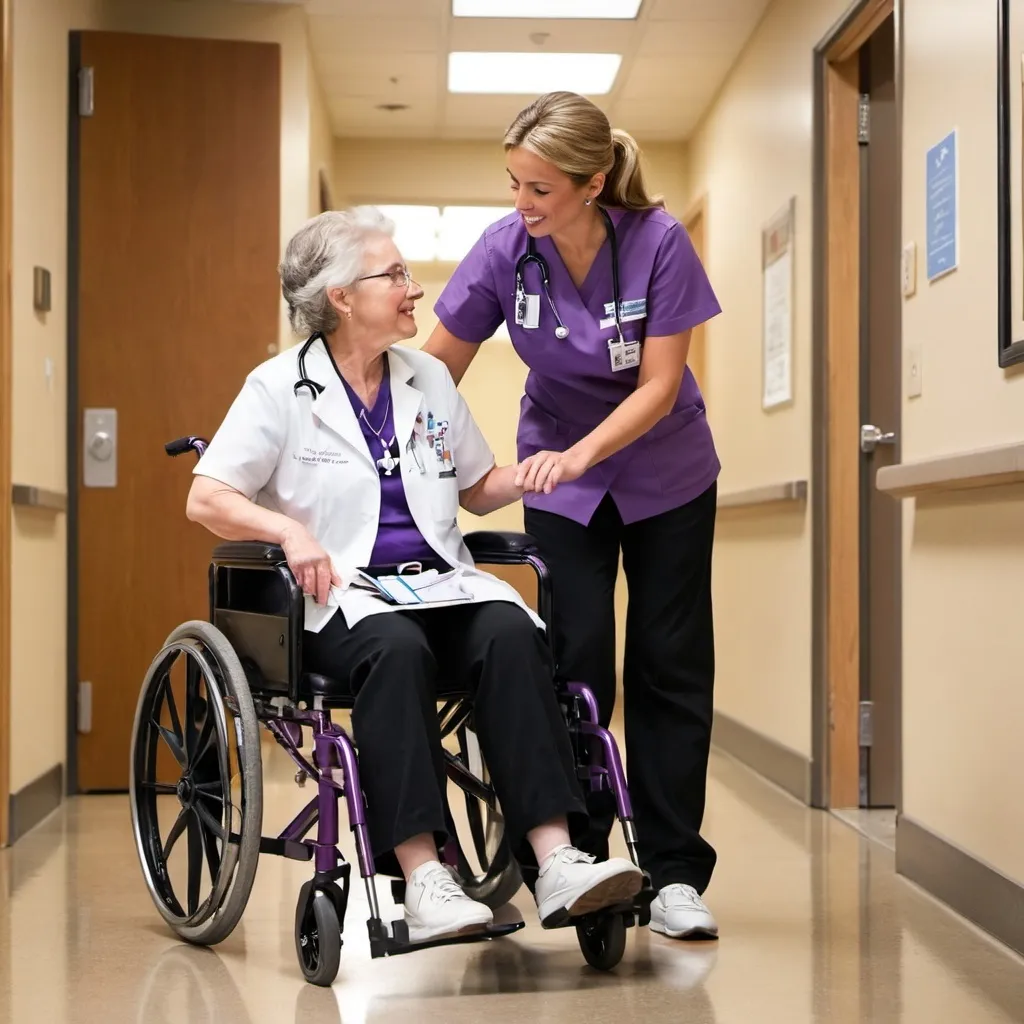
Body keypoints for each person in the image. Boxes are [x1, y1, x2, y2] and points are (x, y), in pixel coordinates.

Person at [186, 207, 642, 945]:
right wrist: (289, 530)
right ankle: (426, 876)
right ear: (340, 297)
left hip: (439, 587)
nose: (414, 288)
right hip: (340, 608)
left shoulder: (426, 377)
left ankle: (557, 858)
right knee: (396, 649)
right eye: (394, 274)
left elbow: (473, 485)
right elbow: (206, 497)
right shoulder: (278, 388)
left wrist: (532, 474)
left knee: (510, 632)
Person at [424, 91, 722, 941]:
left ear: (593, 183)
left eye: (540, 189)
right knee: (576, 659)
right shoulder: (504, 250)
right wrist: (401, 452)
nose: (522, 203)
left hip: (665, 473)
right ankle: (583, 857)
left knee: (669, 665)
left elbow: (661, 385)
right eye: (514, 183)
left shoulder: (659, 242)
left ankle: (672, 873)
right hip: (561, 479)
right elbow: (433, 371)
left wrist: (583, 453)